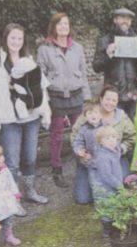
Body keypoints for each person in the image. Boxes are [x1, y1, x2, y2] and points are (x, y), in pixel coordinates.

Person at [0, 24, 51, 215]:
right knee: (12, 162)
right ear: (5, 39)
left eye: (19, 38)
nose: (16, 42)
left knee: (30, 157)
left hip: (31, 117)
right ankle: (12, 199)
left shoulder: (28, 60)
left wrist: (45, 112)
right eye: (13, 38)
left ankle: (30, 191)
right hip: (8, 119)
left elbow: (41, 88)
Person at [37, 12, 91, 189]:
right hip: (56, 96)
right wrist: (44, 102)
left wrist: (87, 97)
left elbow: (83, 73)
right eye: (59, 24)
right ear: (54, 27)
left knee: (80, 132)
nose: (63, 27)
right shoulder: (44, 49)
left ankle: (82, 164)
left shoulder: (77, 48)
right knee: (57, 135)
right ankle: (57, 168)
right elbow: (40, 76)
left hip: (76, 95)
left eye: (66, 24)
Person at [71, 84, 135, 201]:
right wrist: (81, 154)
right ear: (101, 99)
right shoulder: (90, 114)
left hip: (115, 158)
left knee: (122, 184)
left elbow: (132, 137)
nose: (110, 103)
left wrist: (120, 148)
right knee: (83, 199)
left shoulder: (121, 116)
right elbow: (75, 136)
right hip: (91, 160)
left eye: (114, 100)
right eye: (107, 99)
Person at [92, 8, 137, 119]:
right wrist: (108, 55)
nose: (125, 21)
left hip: (132, 94)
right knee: (113, 129)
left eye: (128, 19)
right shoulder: (105, 41)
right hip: (112, 95)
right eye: (122, 18)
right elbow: (96, 67)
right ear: (115, 20)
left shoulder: (136, 41)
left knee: (132, 129)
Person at [89, 126, 124, 238]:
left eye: (114, 137)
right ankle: (107, 229)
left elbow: (118, 147)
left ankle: (114, 224)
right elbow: (106, 175)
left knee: (115, 205)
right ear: (100, 142)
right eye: (107, 138)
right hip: (105, 189)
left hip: (113, 185)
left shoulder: (113, 150)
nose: (112, 140)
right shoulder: (102, 156)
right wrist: (119, 186)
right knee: (106, 208)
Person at [71, 101, 103, 204]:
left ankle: (107, 198)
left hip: (104, 161)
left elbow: (114, 140)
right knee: (94, 182)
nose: (93, 115)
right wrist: (80, 151)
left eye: (96, 112)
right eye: (90, 113)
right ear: (85, 116)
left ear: (101, 114)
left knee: (105, 180)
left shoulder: (106, 126)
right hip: (90, 161)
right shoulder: (83, 129)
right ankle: (97, 200)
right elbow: (77, 142)